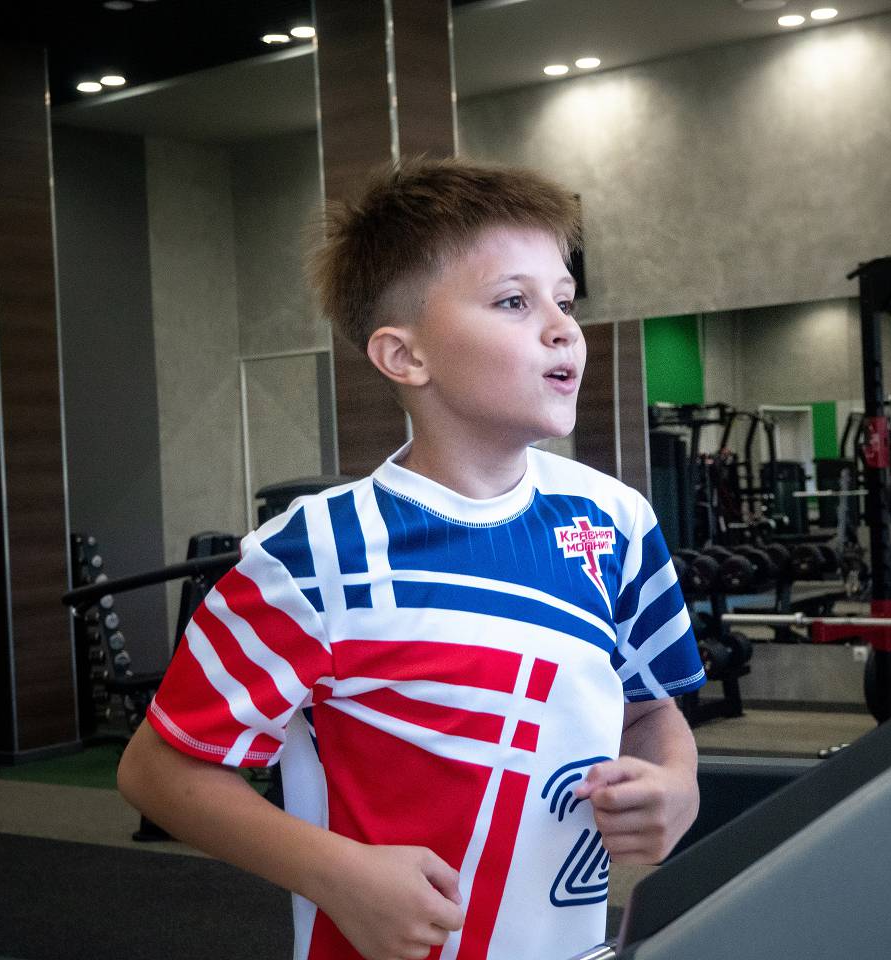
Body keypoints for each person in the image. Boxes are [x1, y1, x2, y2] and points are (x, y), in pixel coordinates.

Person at [117, 156, 706, 960]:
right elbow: (157, 771)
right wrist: (337, 874)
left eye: (565, 300)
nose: (563, 327)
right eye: (514, 301)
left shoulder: (615, 521)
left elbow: (648, 708)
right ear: (404, 356)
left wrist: (677, 782)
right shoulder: (310, 558)